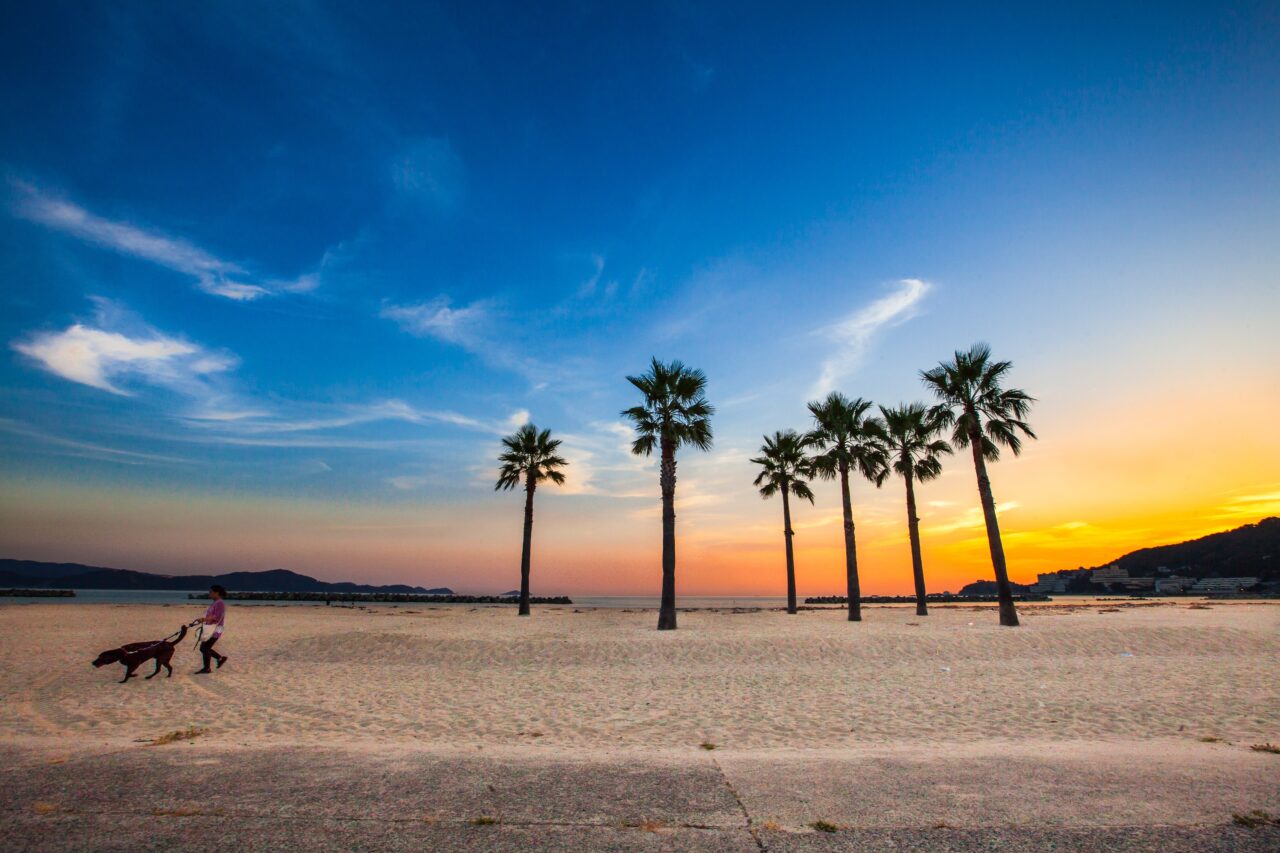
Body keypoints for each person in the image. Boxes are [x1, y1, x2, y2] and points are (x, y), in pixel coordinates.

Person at [190, 584, 228, 673]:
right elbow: (211, 616)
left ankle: (212, 664)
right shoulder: (215, 603)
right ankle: (215, 662)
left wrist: (204, 619)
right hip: (210, 628)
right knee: (204, 647)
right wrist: (203, 620)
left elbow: (217, 617)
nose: (209, 593)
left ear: (216, 593)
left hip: (215, 629)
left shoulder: (220, 603)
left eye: (211, 592)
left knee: (204, 648)